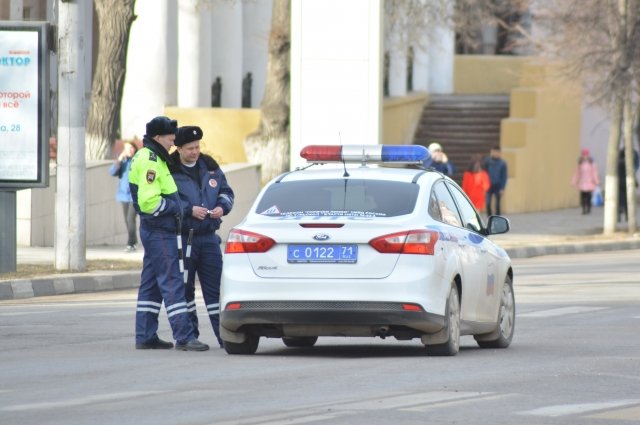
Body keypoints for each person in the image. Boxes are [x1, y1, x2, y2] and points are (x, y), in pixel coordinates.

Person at [128, 116, 209, 352]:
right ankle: (184, 336)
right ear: (157, 137)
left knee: (151, 284)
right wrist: (177, 208)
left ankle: (145, 335)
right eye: (170, 139)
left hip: (155, 230)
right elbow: (149, 203)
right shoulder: (151, 160)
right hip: (160, 230)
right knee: (172, 281)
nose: (173, 143)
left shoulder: (150, 156)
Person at [169, 126, 235, 348]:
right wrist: (189, 210)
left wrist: (221, 207)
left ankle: (225, 337)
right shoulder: (170, 169)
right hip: (184, 238)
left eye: (197, 147)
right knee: (185, 289)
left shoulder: (211, 167)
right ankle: (189, 337)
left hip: (208, 238)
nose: (195, 152)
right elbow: (167, 199)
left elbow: (227, 192)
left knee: (216, 290)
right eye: (190, 148)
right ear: (179, 149)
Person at [110, 141, 139, 252]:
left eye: (131, 148)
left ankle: (130, 244)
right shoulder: (123, 162)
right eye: (127, 148)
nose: (129, 150)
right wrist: (119, 160)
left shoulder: (138, 160)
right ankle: (133, 241)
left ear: (135, 149)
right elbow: (112, 172)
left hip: (135, 195)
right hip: (123, 195)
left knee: (130, 218)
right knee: (127, 220)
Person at [570, 148, 599, 215]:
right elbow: (577, 173)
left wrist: (596, 181)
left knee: (588, 196)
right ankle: (584, 209)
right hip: (583, 182)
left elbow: (594, 172)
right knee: (584, 196)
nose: (585, 156)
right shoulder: (580, 163)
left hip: (589, 182)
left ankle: (588, 208)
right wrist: (574, 181)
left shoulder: (591, 163)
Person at [617, 147, 640, 222]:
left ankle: (618, 216)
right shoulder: (628, 164)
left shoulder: (617, 163)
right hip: (627, 183)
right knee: (627, 200)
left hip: (619, 184)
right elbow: (632, 174)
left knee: (619, 200)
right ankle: (627, 216)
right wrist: (636, 183)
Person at [483, 146, 508, 216]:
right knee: (488, 203)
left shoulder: (503, 163)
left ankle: (498, 218)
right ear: (492, 152)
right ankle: (489, 217)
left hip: (498, 186)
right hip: (489, 186)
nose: (496, 153)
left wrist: (502, 188)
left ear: (500, 153)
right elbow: (484, 173)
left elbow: (504, 176)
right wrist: (484, 185)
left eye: (498, 152)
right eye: (494, 152)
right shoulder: (487, 161)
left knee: (497, 204)